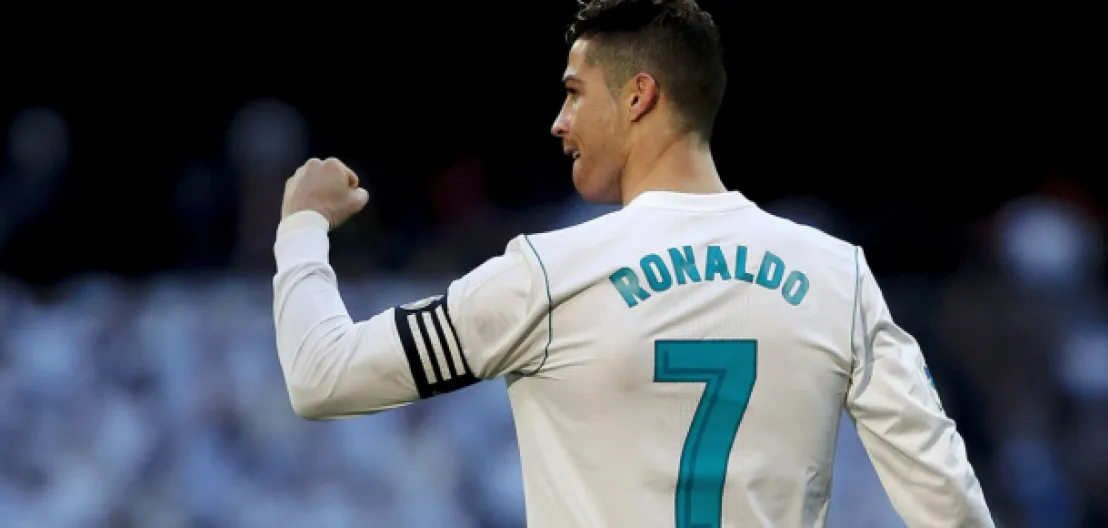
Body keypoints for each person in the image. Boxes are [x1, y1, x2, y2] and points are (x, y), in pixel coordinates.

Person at [270, 1, 995, 526]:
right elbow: (952, 506)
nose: (558, 123)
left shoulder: (549, 274)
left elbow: (321, 375)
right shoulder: (840, 277)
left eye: (574, 93)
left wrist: (302, 225)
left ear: (639, 96)